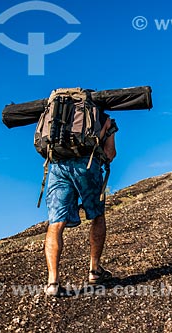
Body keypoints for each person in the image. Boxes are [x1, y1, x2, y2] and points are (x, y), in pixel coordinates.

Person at [44, 115, 116, 297]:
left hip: (57, 166)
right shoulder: (104, 118)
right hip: (87, 164)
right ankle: (94, 270)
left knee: (56, 222)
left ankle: (52, 282)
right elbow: (110, 153)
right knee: (97, 215)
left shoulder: (58, 114)